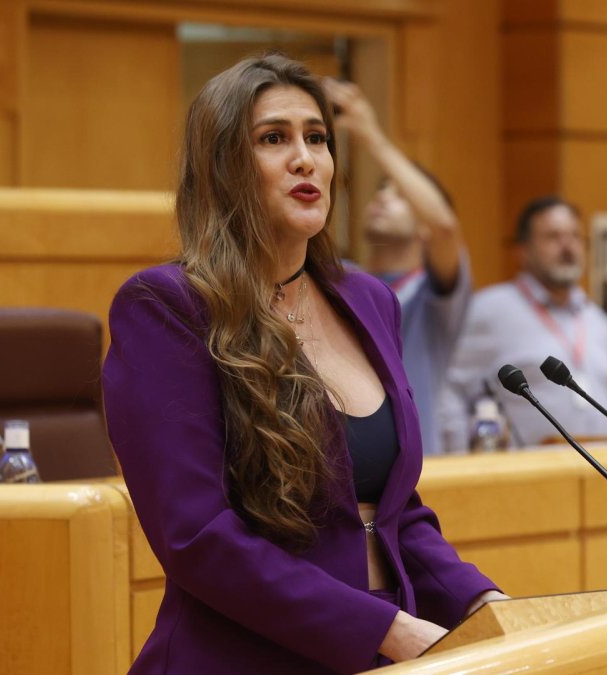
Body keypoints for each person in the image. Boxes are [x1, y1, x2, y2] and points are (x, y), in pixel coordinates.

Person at [102, 54, 503, 674]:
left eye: (317, 137)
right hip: (242, 658)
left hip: (380, 649)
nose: (305, 158)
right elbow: (197, 537)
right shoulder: (168, 308)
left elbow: (394, 512)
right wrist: (385, 628)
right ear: (222, 168)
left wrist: (483, 602)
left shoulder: (370, 302)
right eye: (273, 139)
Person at [323, 79, 468, 457]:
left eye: (401, 195)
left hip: (421, 471)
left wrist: (368, 133)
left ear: (424, 224)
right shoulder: (343, 279)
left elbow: (445, 227)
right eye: (380, 190)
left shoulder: (436, 298)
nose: (384, 198)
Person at [441, 196, 607, 450]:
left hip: (604, 471)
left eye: (575, 236)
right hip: (529, 476)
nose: (567, 246)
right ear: (522, 250)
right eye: (553, 237)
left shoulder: (596, 319)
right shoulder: (491, 310)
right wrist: (465, 461)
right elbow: (450, 390)